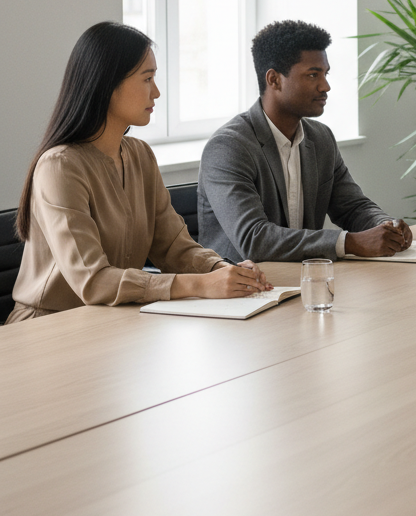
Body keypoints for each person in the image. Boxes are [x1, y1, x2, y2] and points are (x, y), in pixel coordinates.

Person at [9, 23, 270, 323]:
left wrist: (222, 270)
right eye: (147, 79)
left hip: (109, 321)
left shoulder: (140, 155)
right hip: (47, 330)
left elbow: (174, 248)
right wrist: (200, 285)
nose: (156, 92)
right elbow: (93, 282)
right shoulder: (59, 167)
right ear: (107, 84)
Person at [198, 19, 412, 263]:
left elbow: (352, 207)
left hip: (306, 280)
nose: (325, 86)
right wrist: (350, 242)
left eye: (325, 73)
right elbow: (254, 239)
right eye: (313, 75)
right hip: (241, 291)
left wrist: (385, 226)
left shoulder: (321, 138)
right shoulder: (228, 147)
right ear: (274, 80)